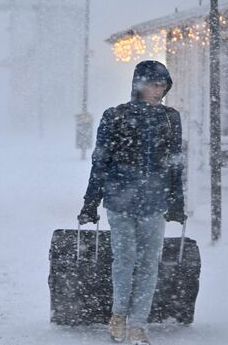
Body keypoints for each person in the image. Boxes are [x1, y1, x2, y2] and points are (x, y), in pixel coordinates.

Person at [78, 60, 186, 344]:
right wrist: (91, 201)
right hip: (120, 201)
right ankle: (118, 315)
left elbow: (176, 163)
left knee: (150, 263)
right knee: (124, 261)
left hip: (155, 201)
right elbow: (100, 161)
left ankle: (138, 322)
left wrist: (176, 201)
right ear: (139, 85)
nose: (158, 91)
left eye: (163, 85)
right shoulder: (115, 116)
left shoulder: (170, 118)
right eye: (154, 84)